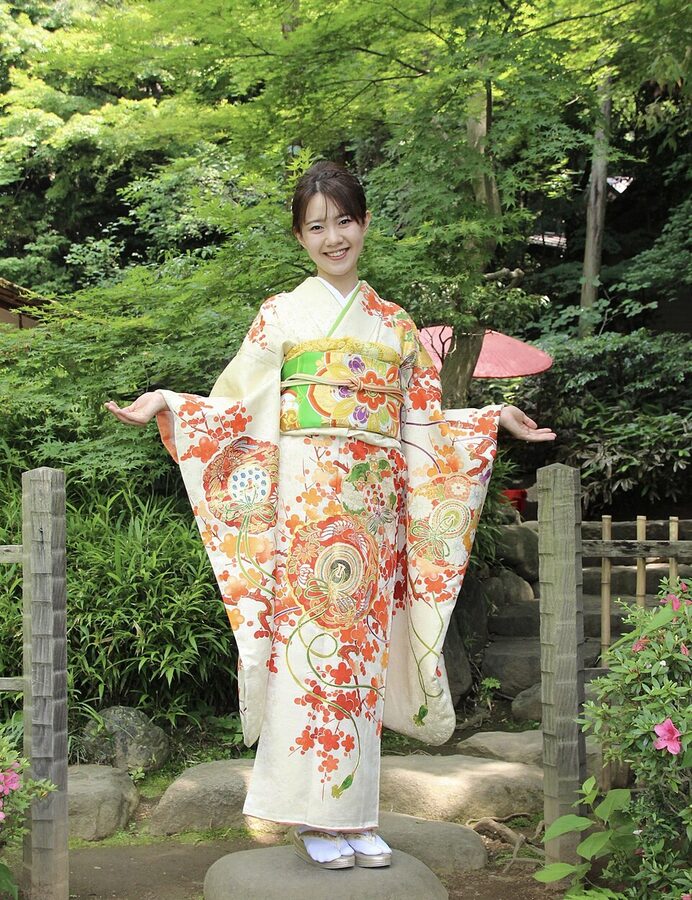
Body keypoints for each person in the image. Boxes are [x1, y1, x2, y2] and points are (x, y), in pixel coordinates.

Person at [105, 161, 555, 870]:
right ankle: (314, 816)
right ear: (299, 236)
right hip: (305, 511)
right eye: (317, 225)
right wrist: (171, 402)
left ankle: (356, 814)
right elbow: (236, 409)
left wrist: (492, 417)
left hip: (371, 517)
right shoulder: (280, 315)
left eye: (344, 220)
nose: (333, 236)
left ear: (365, 223)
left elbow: (424, 426)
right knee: (307, 663)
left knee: (358, 664)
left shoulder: (396, 326)